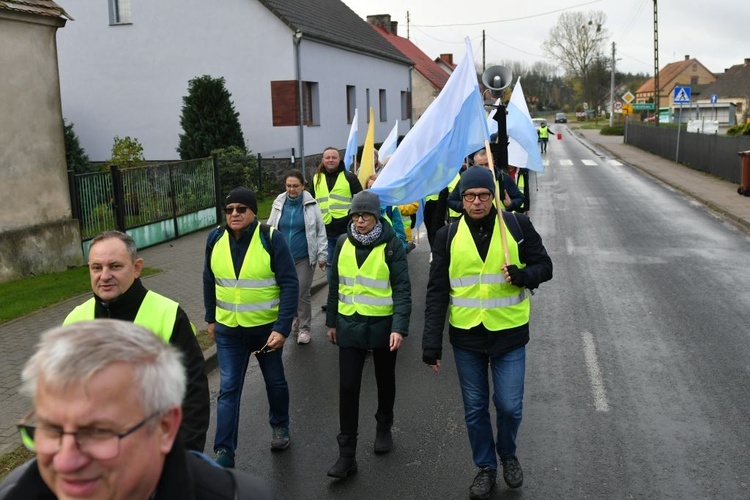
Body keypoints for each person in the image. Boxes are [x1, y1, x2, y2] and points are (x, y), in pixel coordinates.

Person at [0, 320, 274, 499]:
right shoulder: (13, 492)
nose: (64, 462)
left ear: (165, 428)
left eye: (98, 432)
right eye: (51, 428)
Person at [422, 167, 552, 499]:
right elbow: (438, 291)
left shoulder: (517, 225)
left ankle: (507, 454)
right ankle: (485, 467)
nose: (476, 202)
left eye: (482, 195)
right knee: (475, 407)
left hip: (509, 333)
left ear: (493, 196)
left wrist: (524, 275)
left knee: (509, 406)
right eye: (469, 196)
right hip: (466, 337)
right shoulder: (447, 235)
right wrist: (431, 343)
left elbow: (545, 267)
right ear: (461, 200)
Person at [62, 230, 210, 453]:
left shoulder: (168, 315)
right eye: (96, 267)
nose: (104, 275)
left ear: (137, 268)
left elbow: (192, 395)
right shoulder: (74, 321)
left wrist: (185, 459)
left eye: (115, 266)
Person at [203, 187, 299, 468]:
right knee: (228, 389)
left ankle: (280, 426)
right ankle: (224, 451)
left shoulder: (271, 238)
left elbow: (290, 283)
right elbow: (209, 280)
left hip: (265, 330)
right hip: (228, 331)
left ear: (253, 212)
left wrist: (282, 328)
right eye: (229, 209)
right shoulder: (215, 238)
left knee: (275, 381)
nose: (234, 214)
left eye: (240, 209)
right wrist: (211, 317)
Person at [325, 191, 411, 479]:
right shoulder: (341, 242)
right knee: (348, 387)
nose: (359, 221)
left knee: (384, 380)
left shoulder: (392, 246)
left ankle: (384, 425)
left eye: (365, 215)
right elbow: (335, 284)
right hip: (349, 326)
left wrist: (399, 327)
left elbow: (402, 289)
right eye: (355, 215)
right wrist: (331, 322)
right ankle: (346, 454)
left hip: (383, 328)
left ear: (377, 216)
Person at [267, 169, 327, 345]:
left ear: (303, 186)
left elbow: (320, 231)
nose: (291, 189)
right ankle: (295, 318)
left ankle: (304, 329)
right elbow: (270, 227)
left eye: (295, 186)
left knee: (302, 293)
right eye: (288, 186)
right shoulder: (279, 203)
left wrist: (322, 254)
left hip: (304, 257)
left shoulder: (311, 205)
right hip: (282, 258)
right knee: (286, 292)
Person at [310, 147, 363, 284]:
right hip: (325, 231)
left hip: (345, 230)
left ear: (339, 159)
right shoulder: (316, 179)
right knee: (329, 265)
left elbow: (360, 201)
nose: (330, 160)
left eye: (334, 157)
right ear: (323, 160)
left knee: (347, 263)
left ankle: (346, 294)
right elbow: (311, 203)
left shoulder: (349, 177)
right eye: (327, 157)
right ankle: (332, 298)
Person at [446, 148, 525, 216]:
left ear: (493, 162)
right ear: (474, 164)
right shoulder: (466, 180)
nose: (484, 168)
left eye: (487, 164)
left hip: (501, 224)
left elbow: (520, 198)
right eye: (480, 165)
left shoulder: (503, 178)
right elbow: (451, 200)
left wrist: (510, 203)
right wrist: (463, 205)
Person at [364, 173, 407, 249]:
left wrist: (395, 252)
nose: (374, 190)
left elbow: (400, 237)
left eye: (376, 187)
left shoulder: (391, 208)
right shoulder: (362, 210)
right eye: (370, 187)